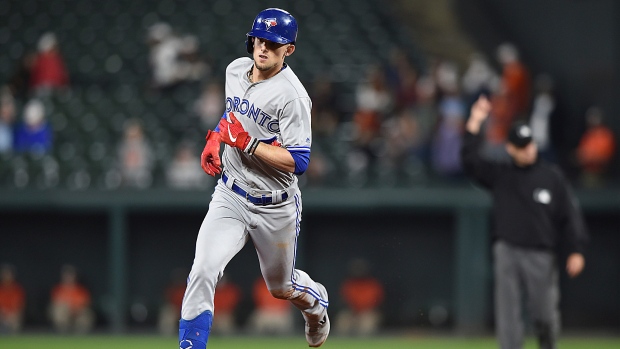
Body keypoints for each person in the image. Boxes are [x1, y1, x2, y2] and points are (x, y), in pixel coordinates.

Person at [179, 8, 329, 349]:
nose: (263, 48)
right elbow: (232, 116)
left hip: (275, 205)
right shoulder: (235, 69)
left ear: (288, 49)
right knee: (203, 269)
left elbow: (299, 160)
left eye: (273, 44)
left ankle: (316, 305)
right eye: (259, 40)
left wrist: (246, 142)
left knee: (281, 288)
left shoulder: (293, 96)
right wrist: (216, 138)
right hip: (230, 194)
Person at [461, 96, 589, 349]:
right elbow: (470, 161)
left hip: (540, 253)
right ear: (510, 148)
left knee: (544, 315)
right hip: (507, 249)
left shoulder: (551, 177)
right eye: (522, 145)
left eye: (530, 144)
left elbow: (569, 214)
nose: (528, 149)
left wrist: (576, 249)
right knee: (508, 315)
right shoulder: (501, 174)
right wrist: (475, 121)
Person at [335, 258, 384, 336]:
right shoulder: (349, 285)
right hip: (352, 313)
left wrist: (363, 313)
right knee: (343, 320)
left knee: (366, 323)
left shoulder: (372, 285)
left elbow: (377, 304)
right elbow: (343, 302)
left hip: (368, 313)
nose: (359, 272)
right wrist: (354, 313)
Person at [49, 265, 95, 334]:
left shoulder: (81, 290)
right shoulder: (58, 289)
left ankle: (80, 337)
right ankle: (62, 334)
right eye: (66, 275)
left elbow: (85, 304)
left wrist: (74, 308)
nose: (68, 277)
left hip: (77, 313)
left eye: (70, 275)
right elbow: (55, 304)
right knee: (60, 311)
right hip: (65, 314)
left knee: (86, 314)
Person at [157, 268, 187, 336]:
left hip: (188, 310)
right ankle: (166, 337)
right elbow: (167, 302)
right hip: (175, 310)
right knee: (168, 312)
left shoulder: (189, 288)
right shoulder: (172, 289)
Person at [0, 264, 26, 334]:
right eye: (5, 275)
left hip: (12, 316)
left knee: (15, 320)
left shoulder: (17, 289)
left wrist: (11, 315)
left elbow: (20, 306)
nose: (7, 277)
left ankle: (14, 338)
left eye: (8, 275)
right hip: (1, 315)